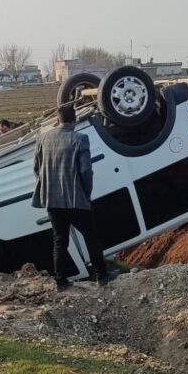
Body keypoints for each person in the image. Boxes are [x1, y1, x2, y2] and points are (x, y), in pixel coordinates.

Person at [32, 105, 113, 289]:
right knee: (91, 236)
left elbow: (36, 168)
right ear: (74, 120)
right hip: (75, 198)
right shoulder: (80, 138)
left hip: (52, 200)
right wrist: (87, 193)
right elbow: (86, 170)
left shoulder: (43, 138)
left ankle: (60, 281)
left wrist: (45, 187)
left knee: (60, 240)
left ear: (58, 120)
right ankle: (102, 275)